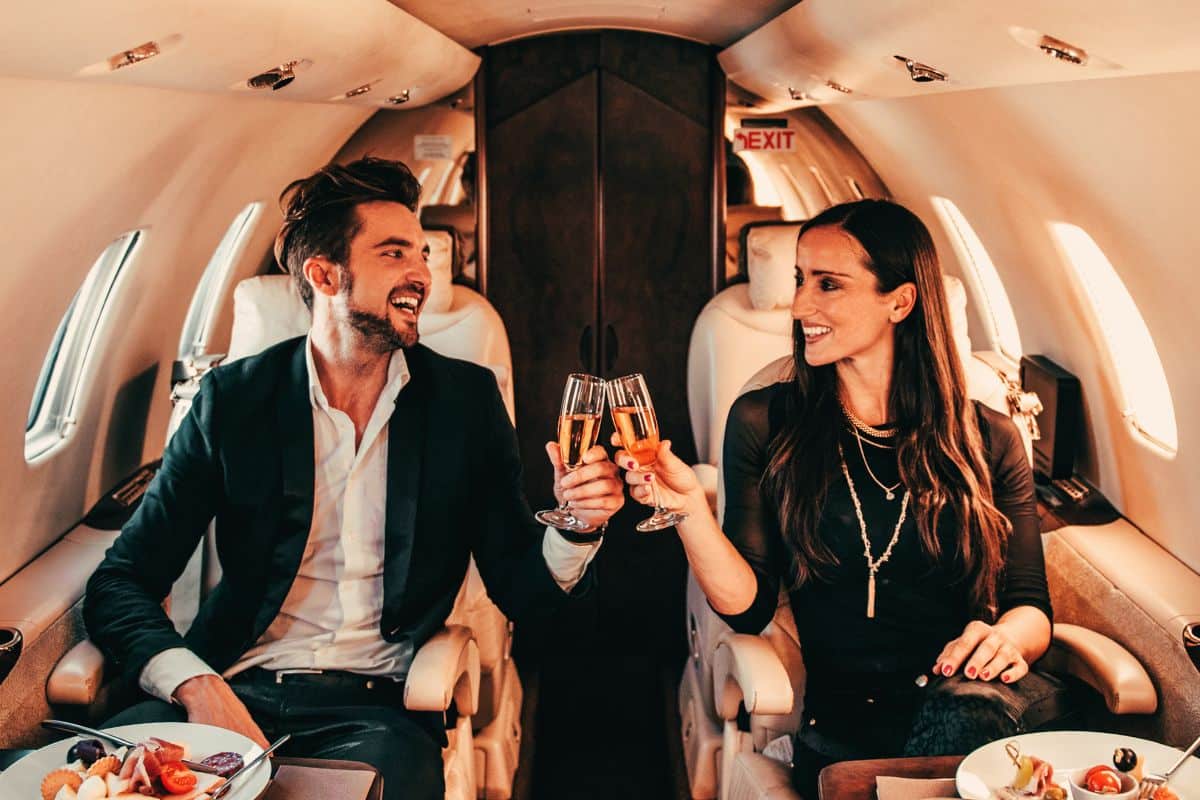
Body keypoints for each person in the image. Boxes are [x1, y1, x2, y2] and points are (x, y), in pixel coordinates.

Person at [84, 156, 624, 800]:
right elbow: (120, 584)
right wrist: (196, 686)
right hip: (229, 686)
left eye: (422, 254)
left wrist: (579, 529)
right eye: (394, 254)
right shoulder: (233, 401)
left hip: (374, 714)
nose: (421, 273)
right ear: (324, 274)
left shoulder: (465, 404)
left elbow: (524, 593)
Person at [616, 199, 1054, 794]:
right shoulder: (765, 422)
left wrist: (1009, 637)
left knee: (967, 720)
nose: (800, 306)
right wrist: (691, 510)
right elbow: (748, 607)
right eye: (800, 280)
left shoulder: (990, 437)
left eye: (828, 284)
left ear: (900, 302)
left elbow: (1029, 604)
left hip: (972, 705)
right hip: (843, 726)